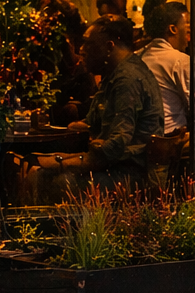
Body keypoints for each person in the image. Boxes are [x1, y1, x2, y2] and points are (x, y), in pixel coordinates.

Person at [69, 17, 164, 182]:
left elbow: (117, 144)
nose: (81, 50)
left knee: (55, 178)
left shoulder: (127, 79)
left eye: (88, 44)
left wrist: (63, 162)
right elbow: (92, 123)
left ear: (109, 46)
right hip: (117, 168)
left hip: (130, 177)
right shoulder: (113, 74)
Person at [135, 1, 191, 136]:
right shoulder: (180, 61)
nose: (189, 37)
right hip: (170, 139)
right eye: (188, 28)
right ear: (173, 29)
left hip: (139, 137)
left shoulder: (136, 57)